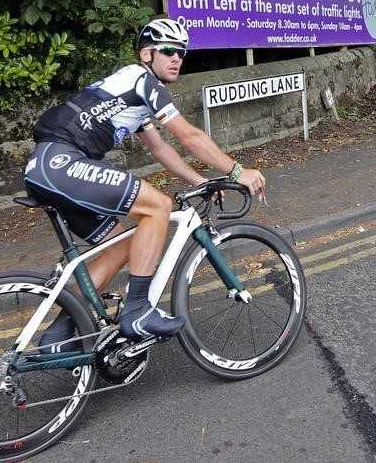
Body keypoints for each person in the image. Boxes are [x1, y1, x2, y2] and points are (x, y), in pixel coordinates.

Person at [24, 18, 265, 349]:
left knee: (123, 244)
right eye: (167, 51)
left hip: (46, 169)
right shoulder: (141, 80)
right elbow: (188, 136)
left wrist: (203, 181)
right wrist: (238, 171)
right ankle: (137, 310)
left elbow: (161, 148)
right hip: (62, 162)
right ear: (146, 55)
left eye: (181, 52)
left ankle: (61, 332)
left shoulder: (129, 94)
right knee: (159, 206)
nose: (176, 58)